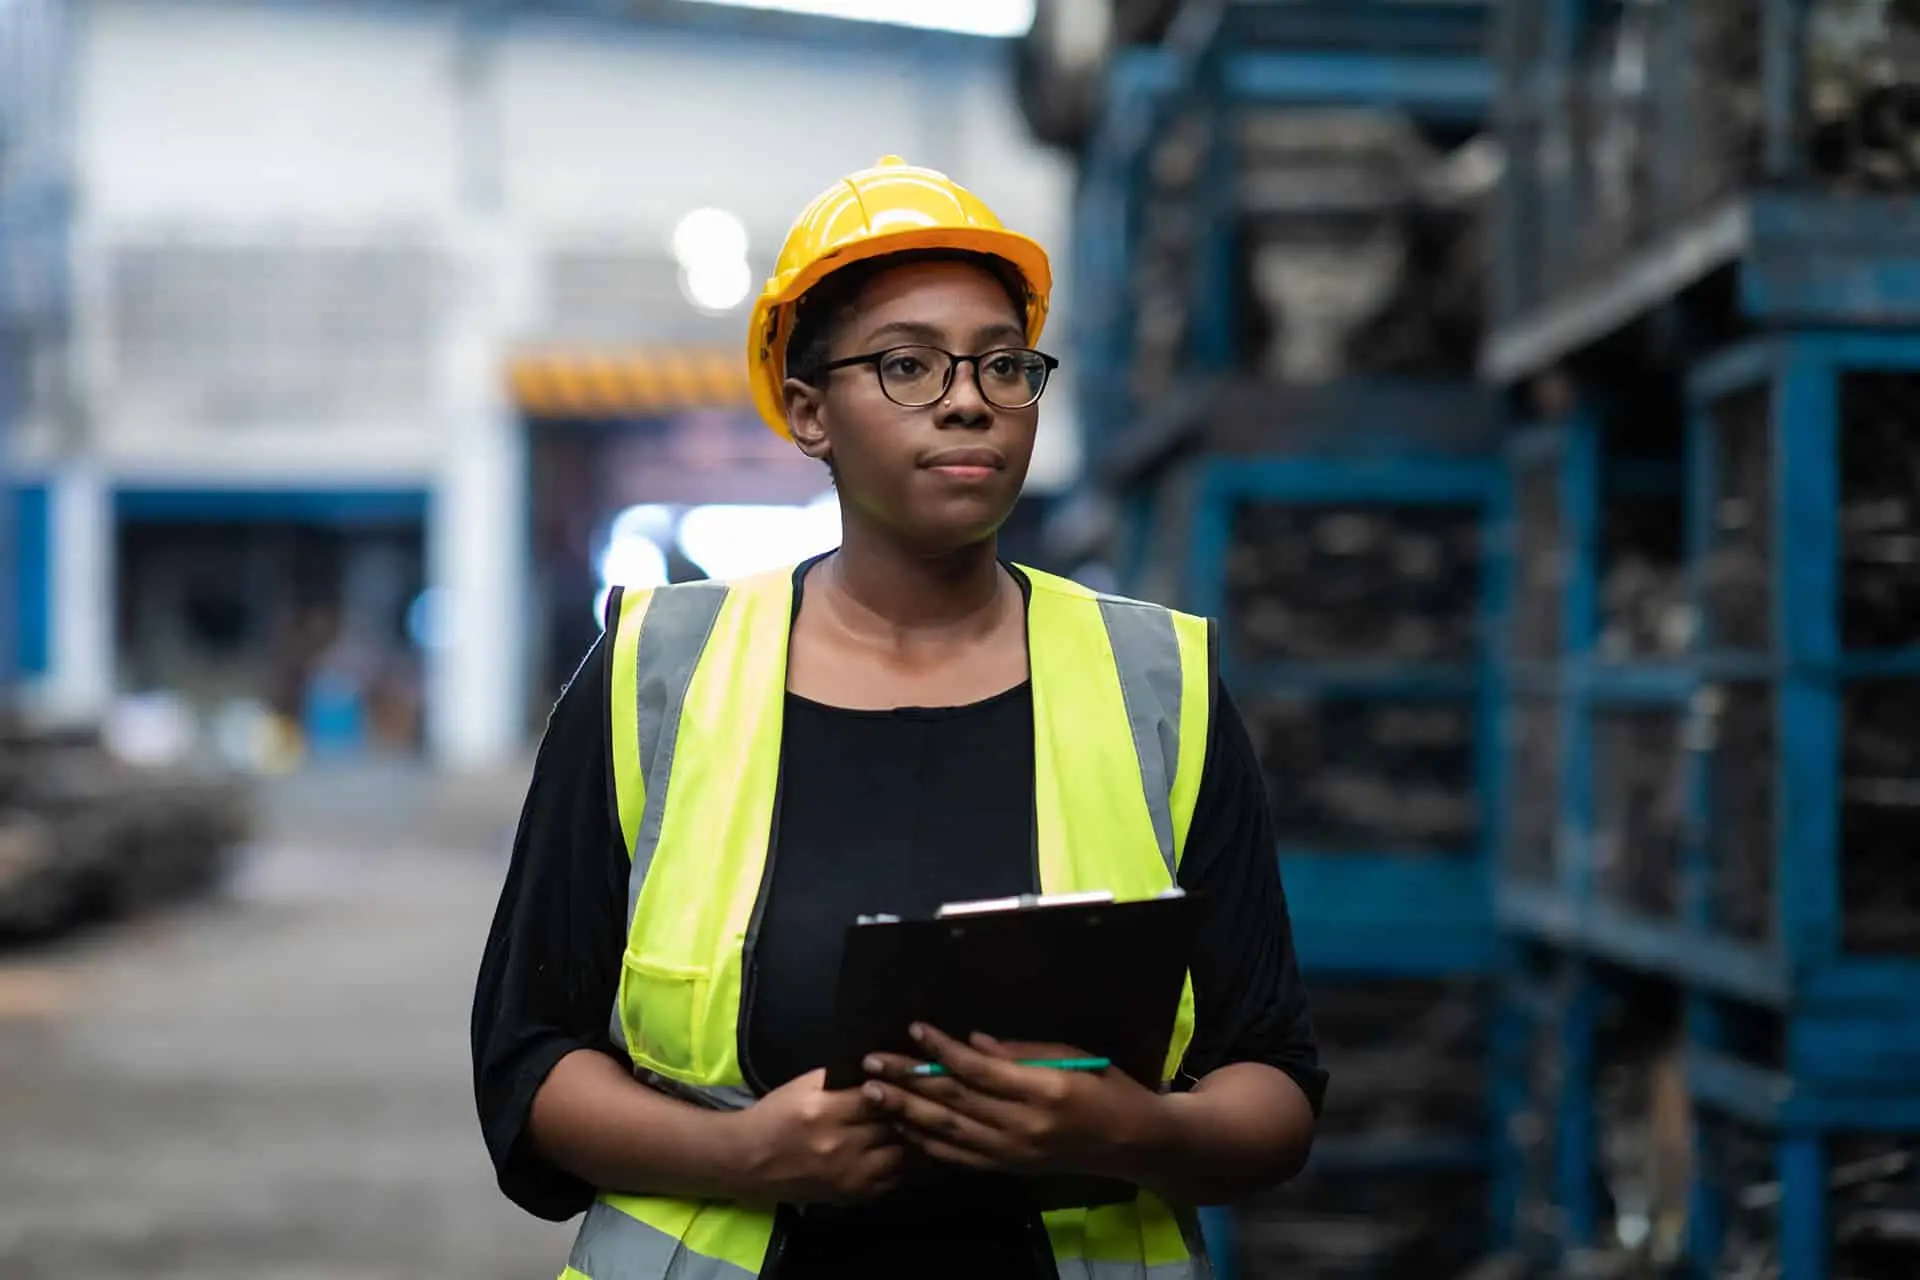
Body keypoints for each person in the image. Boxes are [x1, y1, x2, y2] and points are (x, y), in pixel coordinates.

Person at [472, 156, 1326, 1280]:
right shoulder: (657, 675)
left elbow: (1270, 1076)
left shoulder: (1154, 680)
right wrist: (742, 1153)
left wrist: (1133, 1131)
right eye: (909, 364)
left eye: (1002, 364)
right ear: (808, 409)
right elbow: (530, 1059)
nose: (969, 397)